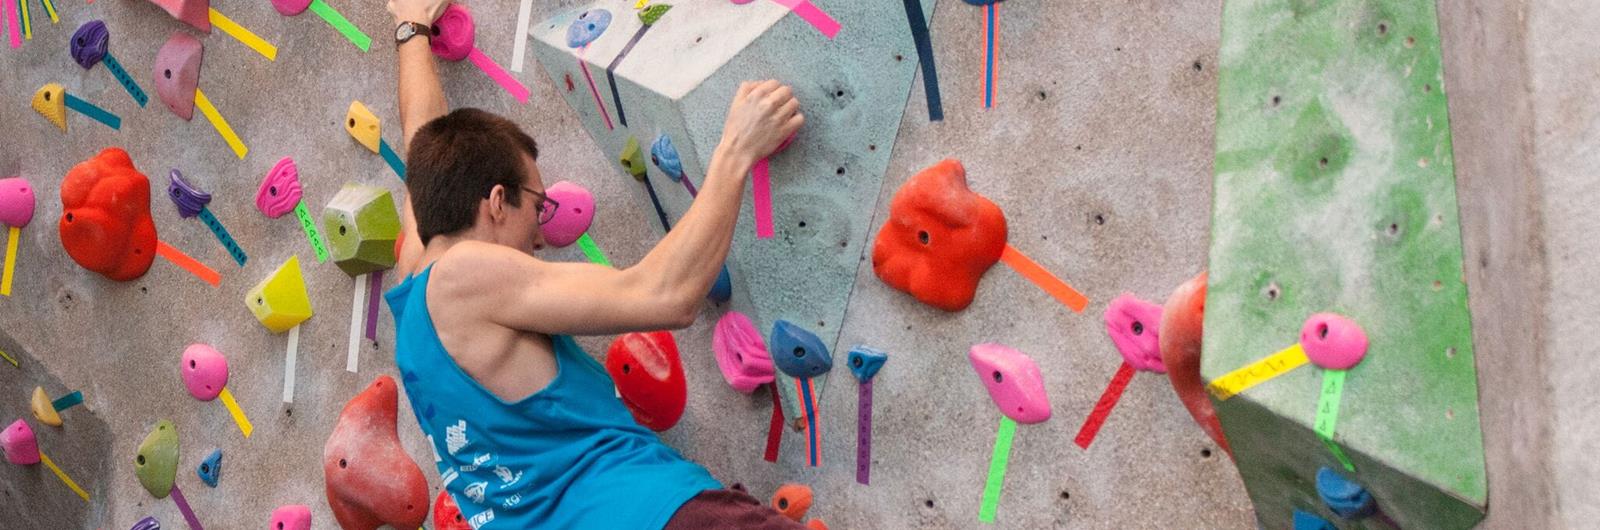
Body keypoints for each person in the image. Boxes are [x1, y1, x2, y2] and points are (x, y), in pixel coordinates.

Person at [382, 1, 807, 528]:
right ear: (495, 202)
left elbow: (420, 137)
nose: (541, 236)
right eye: (538, 208)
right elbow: (664, 295)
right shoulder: (464, 275)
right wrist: (735, 151)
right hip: (637, 513)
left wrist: (412, 31)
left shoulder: (416, 294)